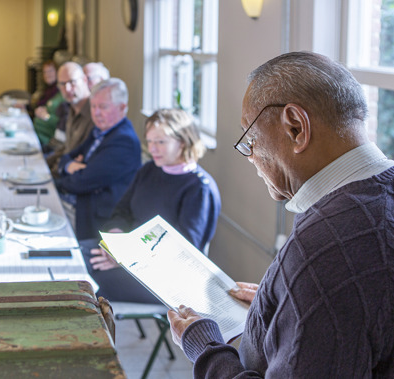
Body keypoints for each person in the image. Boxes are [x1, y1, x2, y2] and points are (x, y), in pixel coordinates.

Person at [168, 51, 394, 377]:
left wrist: (205, 348)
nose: (250, 157)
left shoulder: (325, 249)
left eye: (250, 140)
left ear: (295, 127)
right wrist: (288, 304)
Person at [82, 108, 221, 303]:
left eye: (161, 142)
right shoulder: (149, 170)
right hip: (128, 256)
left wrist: (127, 258)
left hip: (164, 278)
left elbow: (183, 252)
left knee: (82, 279)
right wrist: (115, 235)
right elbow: (122, 211)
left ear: (182, 142)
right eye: (150, 141)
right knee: (74, 253)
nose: (152, 148)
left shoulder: (199, 188)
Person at [54, 78, 141, 240]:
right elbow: (67, 157)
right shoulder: (100, 130)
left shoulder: (124, 141)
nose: (96, 113)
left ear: (122, 108)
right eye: (93, 106)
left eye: (103, 107)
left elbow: (82, 182)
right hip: (78, 202)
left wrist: (61, 179)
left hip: (94, 218)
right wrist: (68, 166)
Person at [44, 62, 93, 170]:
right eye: (62, 84)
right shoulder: (71, 108)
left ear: (84, 80)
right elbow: (67, 147)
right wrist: (44, 164)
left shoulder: (95, 113)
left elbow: (78, 158)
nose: (67, 89)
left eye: (72, 82)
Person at [32, 60, 66, 146]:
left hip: (48, 141)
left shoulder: (63, 95)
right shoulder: (48, 90)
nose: (47, 75)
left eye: (50, 71)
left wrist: (46, 116)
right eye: (45, 72)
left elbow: (63, 123)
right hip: (39, 136)